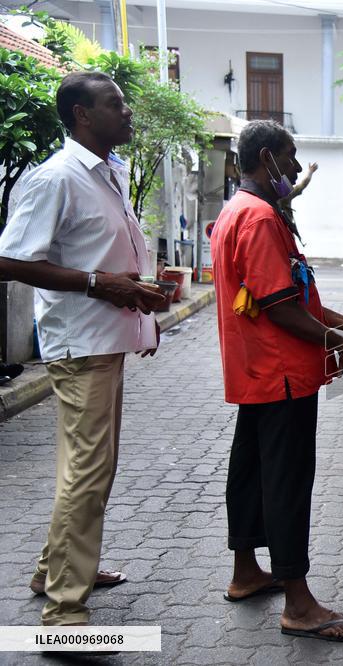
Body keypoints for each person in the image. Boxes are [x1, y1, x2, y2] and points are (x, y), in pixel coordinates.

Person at [0, 71, 165, 626]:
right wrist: (100, 284)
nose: (127, 112)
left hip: (105, 339)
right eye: (115, 104)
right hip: (81, 345)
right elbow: (10, 260)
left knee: (91, 468)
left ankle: (53, 570)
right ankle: (64, 611)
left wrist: (138, 301)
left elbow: (109, 256)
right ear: (82, 115)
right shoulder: (57, 177)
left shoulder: (107, 172)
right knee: (87, 473)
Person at [211, 119, 343, 643]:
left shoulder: (238, 210)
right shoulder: (260, 218)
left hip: (255, 372)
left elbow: (292, 296)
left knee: (251, 471)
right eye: (290, 156)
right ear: (267, 157)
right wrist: (342, 346)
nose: (297, 167)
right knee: (286, 481)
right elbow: (282, 309)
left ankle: (245, 572)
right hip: (281, 373)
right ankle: (299, 605)